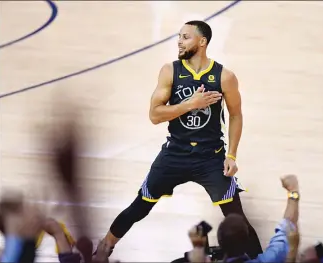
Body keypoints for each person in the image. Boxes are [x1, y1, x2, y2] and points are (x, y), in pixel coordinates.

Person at [96, 20, 262, 259]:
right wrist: (190, 105)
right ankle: (103, 248)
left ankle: (263, 259)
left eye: (185, 37)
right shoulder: (170, 71)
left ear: (202, 42)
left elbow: (236, 115)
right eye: (179, 37)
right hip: (175, 153)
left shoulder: (224, 76)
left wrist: (232, 155)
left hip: (211, 157)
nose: (179, 41)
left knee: (236, 218)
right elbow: (154, 115)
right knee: (139, 206)